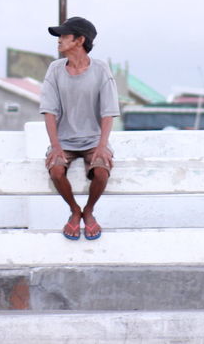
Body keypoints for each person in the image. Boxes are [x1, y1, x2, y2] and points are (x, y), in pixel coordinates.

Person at [39, 16, 120, 240]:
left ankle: (89, 211)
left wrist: (102, 146)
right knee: (55, 169)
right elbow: (49, 111)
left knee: (102, 171)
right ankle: (75, 210)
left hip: (94, 140)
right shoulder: (55, 70)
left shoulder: (101, 70)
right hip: (64, 140)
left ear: (80, 40)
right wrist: (55, 146)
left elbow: (108, 112)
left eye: (65, 36)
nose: (59, 41)